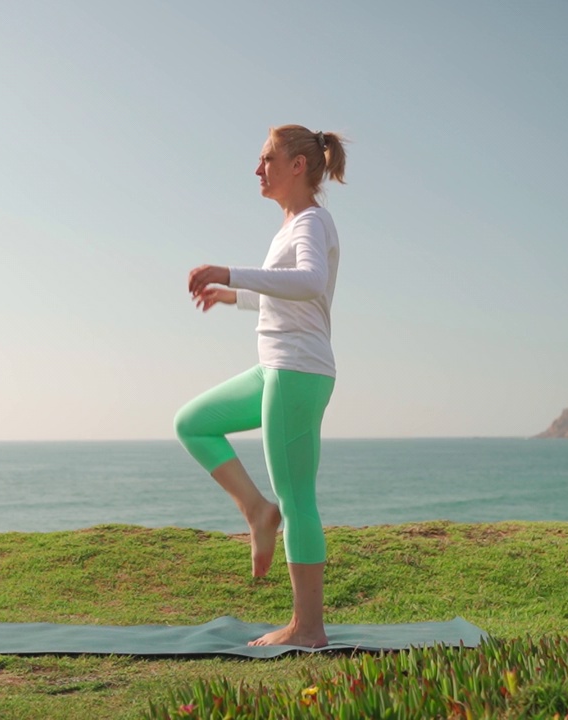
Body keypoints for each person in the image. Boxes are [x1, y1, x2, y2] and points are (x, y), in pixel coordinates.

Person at [176, 124, 346, 648]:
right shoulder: (290, 226)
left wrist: (232, 271)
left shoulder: (312, 222)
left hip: (298, 371)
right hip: (275, 367)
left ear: (298, 165)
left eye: (267, 158)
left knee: (298, 499)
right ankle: (256, 510)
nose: (257, 169)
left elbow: (311, 283)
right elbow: (285, 291)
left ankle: (307, 629)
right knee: (194, 423)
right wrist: (233, 296)